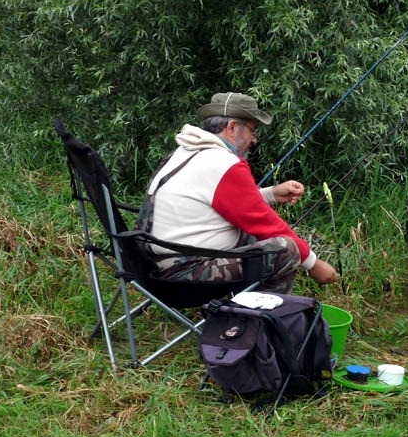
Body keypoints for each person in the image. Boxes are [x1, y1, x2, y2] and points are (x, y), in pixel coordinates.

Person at [136, 91, 339, 293]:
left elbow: (223, 202)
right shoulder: (223, 164)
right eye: (253, 130)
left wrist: (270, 194)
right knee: (285, 250)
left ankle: (241, 311)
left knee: (254, 238)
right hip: (183, 276)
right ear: (233, 127)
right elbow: (266, 224)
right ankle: (258, 319)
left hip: (151, 265)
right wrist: (313, 263)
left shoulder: (187, 151)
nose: (254, 140)